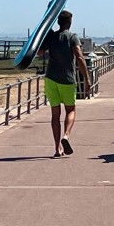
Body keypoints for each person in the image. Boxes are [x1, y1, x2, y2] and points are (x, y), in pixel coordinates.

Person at [36, 10, 91, 158]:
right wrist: (86, 79)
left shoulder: (51, 36)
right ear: (70, 22)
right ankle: (66, 136)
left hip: (51, 79)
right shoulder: (72, 37)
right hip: (67, 79)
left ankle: (57, 148)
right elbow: (79, 56)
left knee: (55, 115)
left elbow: (39, 53)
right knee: (71, 110)